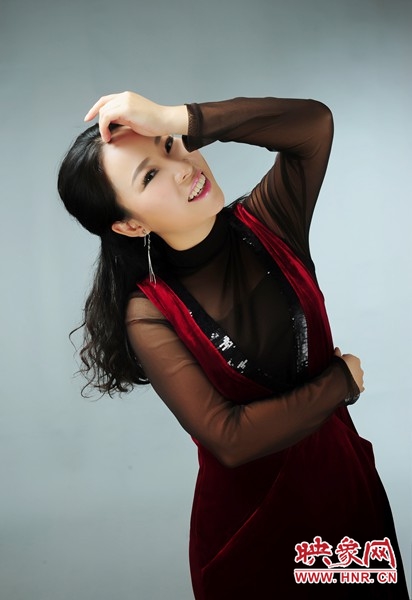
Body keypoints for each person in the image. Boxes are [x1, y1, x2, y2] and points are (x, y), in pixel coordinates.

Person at [58, 91, 408, 599]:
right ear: (131, 224)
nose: (183, 168)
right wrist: (340, 382)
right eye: (150, 175)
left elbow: (313, 125)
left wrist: (176, 118)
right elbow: (231, 438)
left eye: (171, 146)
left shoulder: (270, 221)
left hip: (344, 497)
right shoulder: (150, 312)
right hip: (251, 530)